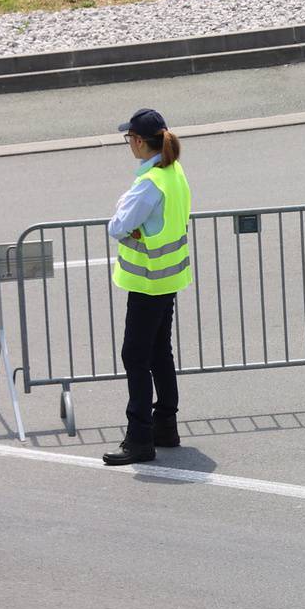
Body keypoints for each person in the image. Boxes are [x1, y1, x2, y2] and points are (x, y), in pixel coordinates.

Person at [102, 109, 192, 467]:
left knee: (135, 356)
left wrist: (126, 220)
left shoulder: (148, 183)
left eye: (129, 139)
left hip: (147, 281)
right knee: (158, 352)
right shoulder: (173, 172)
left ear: (138, 141)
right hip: (168, 278)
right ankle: (165, 425)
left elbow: (118, 225)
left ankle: (139, 437)